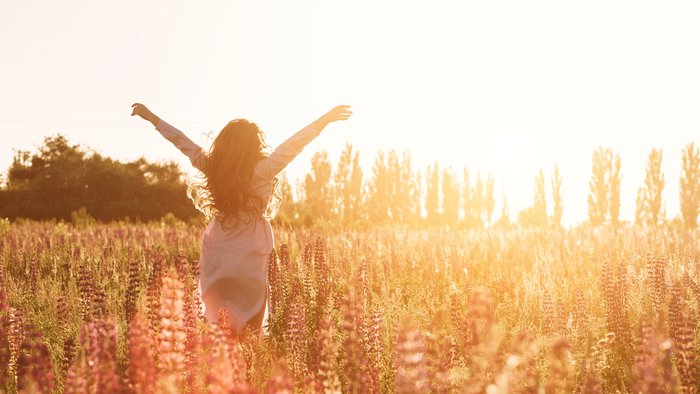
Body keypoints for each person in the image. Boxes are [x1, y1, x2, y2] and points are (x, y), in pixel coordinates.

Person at [130, 103, 352, 334]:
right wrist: (324, 120)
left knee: (217, 307)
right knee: (252, 306)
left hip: (219, 241)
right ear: (252, 145)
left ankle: (218, 354)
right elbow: (293, 145)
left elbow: (182, 142)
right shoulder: (263, 169)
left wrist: (153, 118)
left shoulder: (213, 167)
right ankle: (249, 353)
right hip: (252, 244)